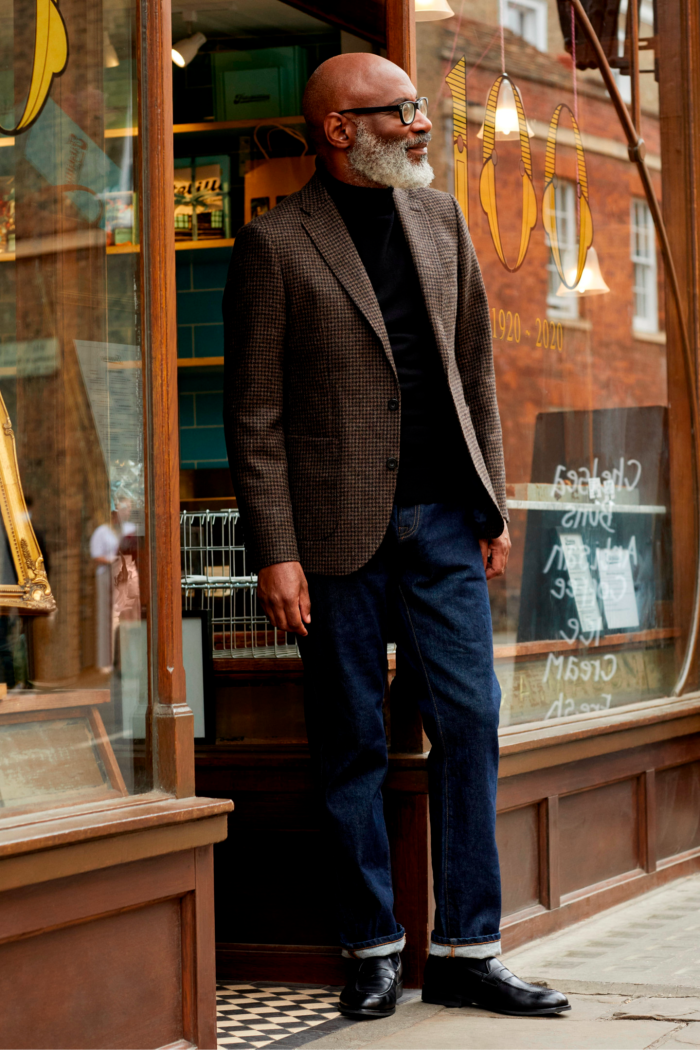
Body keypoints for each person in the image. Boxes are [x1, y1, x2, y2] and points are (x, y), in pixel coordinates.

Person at [223, 52, 569, 1020]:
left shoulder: (440, 215)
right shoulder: (276, 246)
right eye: (400, 111)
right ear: (339, 129)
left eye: (419, 107)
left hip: (443, 524)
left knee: (470, 720)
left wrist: (492, 503)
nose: (420, 124)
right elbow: (253, 417)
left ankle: (466, 947)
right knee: (350, 743)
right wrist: (274, 550)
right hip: (333, 535)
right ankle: (371, 947)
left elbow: (474, 370)